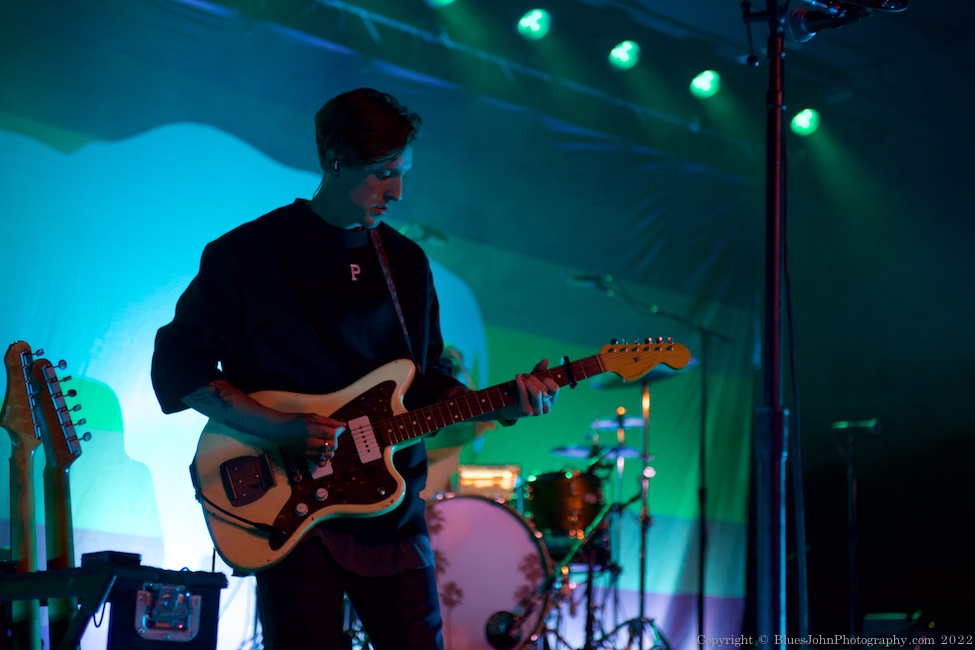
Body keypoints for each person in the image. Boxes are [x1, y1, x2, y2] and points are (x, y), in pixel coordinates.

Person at [150, 87, 559, 650]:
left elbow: (425, 380)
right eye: (382, 173)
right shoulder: (248, 254)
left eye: (403, 173)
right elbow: (179, 364)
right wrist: (282, 427)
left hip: (389, 509)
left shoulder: (407, 265)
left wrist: (503, 404)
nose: (395, 191)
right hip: (290, 505)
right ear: (335, 162)